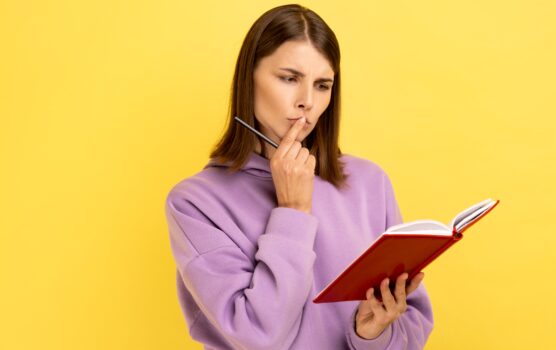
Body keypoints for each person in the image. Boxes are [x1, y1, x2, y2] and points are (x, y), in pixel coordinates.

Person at [164, 4, 433, 349]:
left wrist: (372, 334)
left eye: (322, 85)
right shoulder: (195, 203)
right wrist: (292, 211)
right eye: (289, 78)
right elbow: (258, 337)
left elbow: (415, 325)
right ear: (249, 79)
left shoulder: (370, 183)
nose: (307, 101)